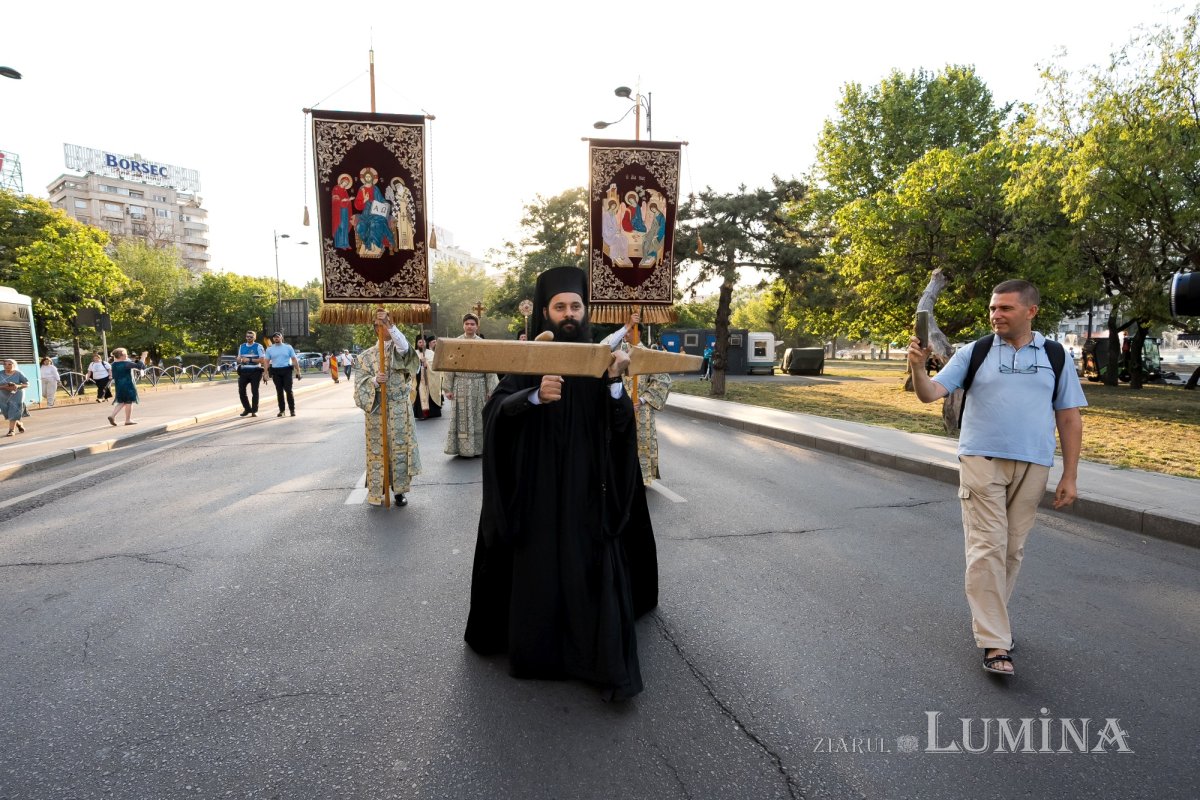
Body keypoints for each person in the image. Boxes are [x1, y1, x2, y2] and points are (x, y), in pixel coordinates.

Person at [464, 266, 659, 700]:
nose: (568, 313)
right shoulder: (529, 359)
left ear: (585, 311)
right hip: (536, 495)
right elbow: (494, 414)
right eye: (559, 306)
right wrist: (532, 397)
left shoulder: (600, 359)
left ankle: (588, 652)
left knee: (585, 567)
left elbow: (622, 428)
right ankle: (538, 651)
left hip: (585, 493)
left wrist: (613, 387)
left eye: (575, 306)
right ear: (546, 313)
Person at [907, 279, 1086, 677]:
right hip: (981, 460)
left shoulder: (1055, 355)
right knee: (987, 547)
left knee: (1011, 550)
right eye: (992, 308)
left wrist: (1070, 475)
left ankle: (994, 623)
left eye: (1005, 308)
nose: (995, 315)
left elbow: (1069, 417)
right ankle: (994, 641)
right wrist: (918, 368)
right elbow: (930, 393)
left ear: (1031, 312)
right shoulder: (977, 351)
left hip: (1034, 463)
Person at [353, 310, 421, 507]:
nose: (386, 329)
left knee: (399, 450)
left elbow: (406, 350)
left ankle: (399, 491)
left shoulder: (399, 350)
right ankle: (378, 488)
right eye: (381, 326)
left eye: (389, 326)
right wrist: (374, 381)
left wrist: (390, 324)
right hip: (377, 409)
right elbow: (359, 385)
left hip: (400, 407)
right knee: (380, 450)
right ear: (376, 329)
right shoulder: (365, 357)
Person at [619, 326, 672, 486]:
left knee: (641, 443)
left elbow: (663, 380)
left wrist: (641, 400)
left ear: (638, 332)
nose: (625, 334)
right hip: (620, 407)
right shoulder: (617, 353)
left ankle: (642, 477)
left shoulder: (649, 355)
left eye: (628, 330)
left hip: (641, 409)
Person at [442, 313, 498, 457]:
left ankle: (479, 448)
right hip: (460, 384)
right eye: (467, 324)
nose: (469, 326)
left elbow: (490, 367)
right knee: (461, 418)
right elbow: (449, 366)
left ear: (477, 326)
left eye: (472, 324)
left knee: (478, 417)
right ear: (463, 325)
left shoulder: (483, 344)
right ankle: (461, 449)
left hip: (478, 385)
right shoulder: (455, 343)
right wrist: (447, 388)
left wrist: (490, 389)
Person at [107, 348, 146, 426]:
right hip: (128, 385)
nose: (127, 355)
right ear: (121, 356)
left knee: (122, 401)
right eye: (125, 354)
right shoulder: (126, 363)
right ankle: (127, 420)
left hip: (119, 385)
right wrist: (143, 356)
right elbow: (140, 366)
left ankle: (112, 415)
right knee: (128, 402)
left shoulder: (114, 364)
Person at [265, 332, 300, 417]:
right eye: (274, 337)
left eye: (278, 337)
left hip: (286, 370)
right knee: (279, 391)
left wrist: (298, 371)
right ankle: (282, 410)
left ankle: (292, 410)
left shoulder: (288, 347)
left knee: (288, 390)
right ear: (273, 339)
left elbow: (294, 359)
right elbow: (266, 361)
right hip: (276, 371)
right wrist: (265, 373)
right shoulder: (270, 349)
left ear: (281, 338)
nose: (276, 338)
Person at [236, 330, 266, 417]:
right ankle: (247, 409)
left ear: (254, 338)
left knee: (254, 391)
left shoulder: (258, 346)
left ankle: (254, 410)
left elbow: (262, 360)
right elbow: (238, 358)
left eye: (251, 337)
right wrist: (240, 359)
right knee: (241, 391)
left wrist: (249, 360)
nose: (249, 338)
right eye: (247, 336)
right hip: (244, 371)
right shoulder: (242, 346)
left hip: (255, 371)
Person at [411, 335, 442, 420]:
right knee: (420, 393)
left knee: (430, 392)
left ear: (426, 343)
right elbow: (410, 366)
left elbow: (435, 366)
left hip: (429, 379)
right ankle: (422, 413)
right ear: (417, 344)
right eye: (420, 342)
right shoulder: (414, 353)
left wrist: (427, 364)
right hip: (418, 379)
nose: (422, 344)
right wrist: (419, 363)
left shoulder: (431, 353)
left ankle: (432, 412)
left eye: (423, 342)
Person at [1, 359, 28, 436]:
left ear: (14, 365)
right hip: (3, 396)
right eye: (5, 364)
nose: (7, 366)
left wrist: (18, 386)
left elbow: (27, 384)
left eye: (9, 364)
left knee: (14, 410)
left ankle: (11, 430)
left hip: (17, 394)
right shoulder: (0, 374)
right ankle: (19, 423)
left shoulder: (18, 373)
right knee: (6, 412)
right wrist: (5, 387)